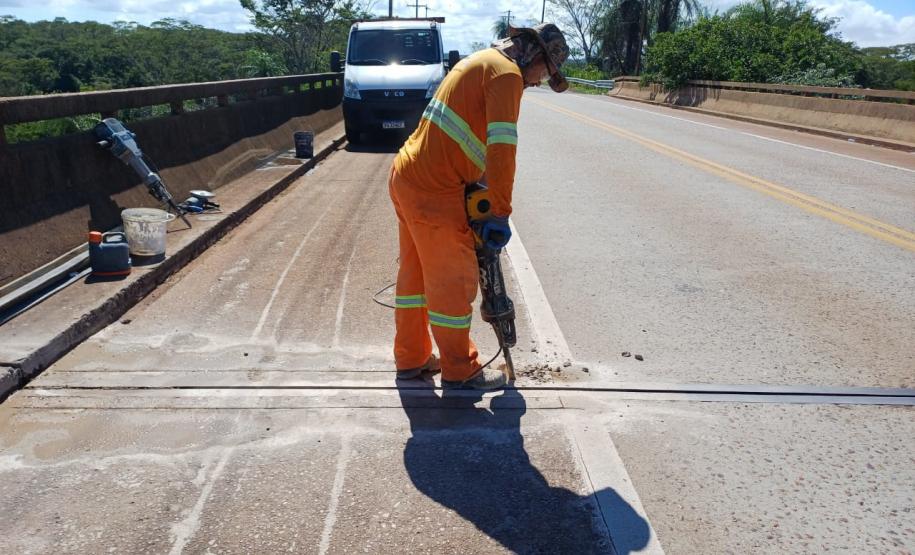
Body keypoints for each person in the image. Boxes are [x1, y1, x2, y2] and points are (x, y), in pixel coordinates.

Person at [388, 23, 570, 390]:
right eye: (544, 72)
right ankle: (460, 369)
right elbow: (502, 150)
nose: (538, 82)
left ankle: (411, 357)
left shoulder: (482, 61)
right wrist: (499, 211)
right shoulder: (506, 76)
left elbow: (477, 144)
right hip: (436, 191)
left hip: (408, 176)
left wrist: (481, 193)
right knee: (453, 280)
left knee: (416, 277)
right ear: (533, 54)